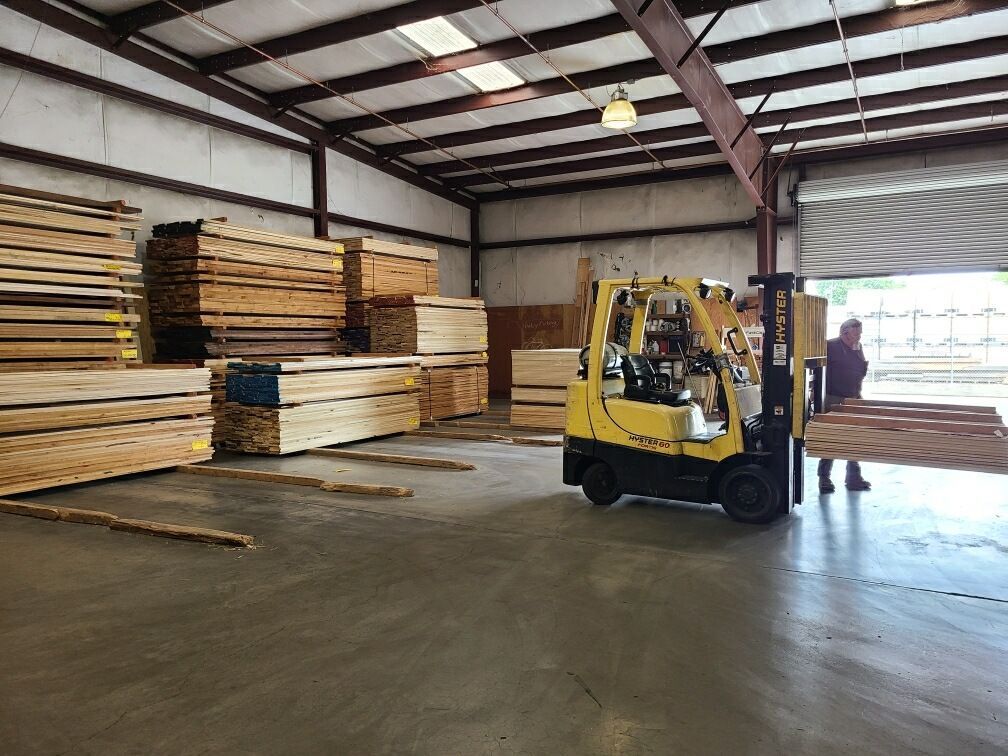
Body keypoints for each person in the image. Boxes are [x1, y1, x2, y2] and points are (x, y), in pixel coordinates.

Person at [817, 318, 871, 494]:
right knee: (832, 437)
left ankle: (853, 477)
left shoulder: (858, 347)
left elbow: (860, 371)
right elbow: (817, 370)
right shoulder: (830, 346)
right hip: (834, 397)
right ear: (845, 332)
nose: (859, 336)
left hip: (853, 396)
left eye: (860, 332)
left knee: (855, 436)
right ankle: (824, 477)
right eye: (856, 333)